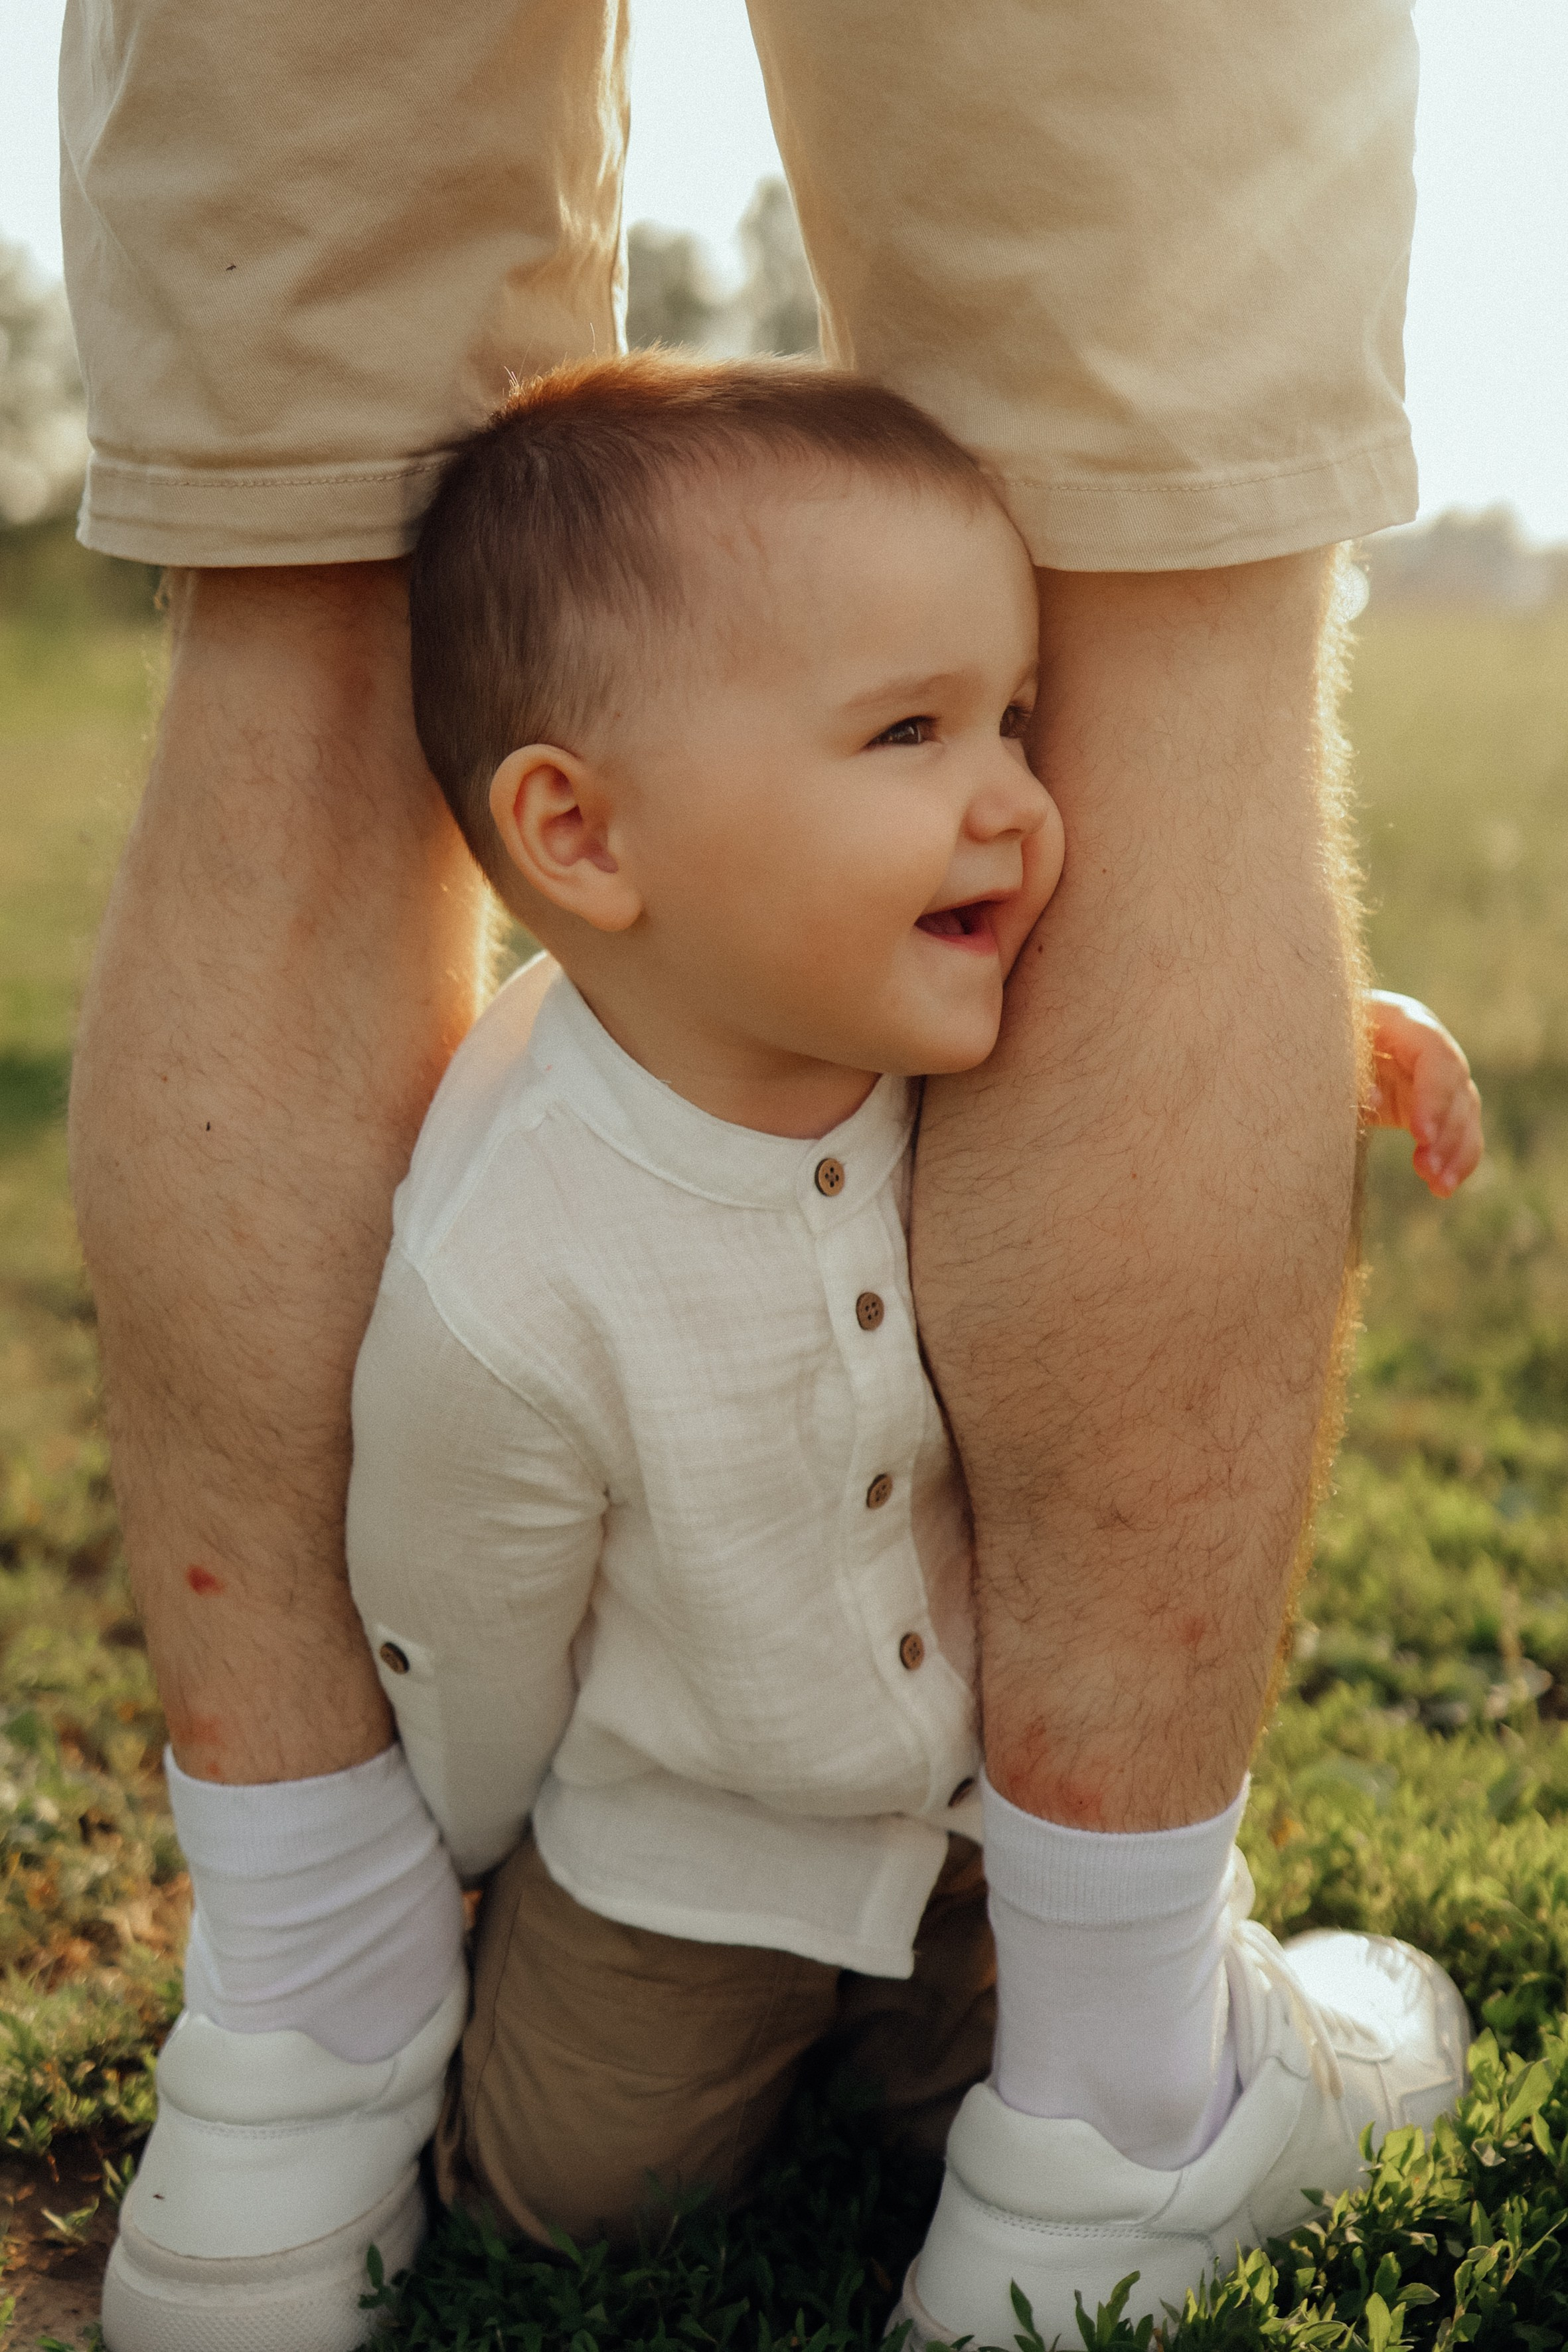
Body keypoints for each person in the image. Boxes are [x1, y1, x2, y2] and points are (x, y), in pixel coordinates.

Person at [56, 5, 1443, 2347]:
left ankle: (303, 2031)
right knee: (1164, 520)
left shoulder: (875, 1009)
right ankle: (1119, 2097)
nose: (1018, 802)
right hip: (663, 1854)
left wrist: (1320, 1045)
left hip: (925, 1839)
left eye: (1011, 721)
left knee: (311, 528)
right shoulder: (513, 1249)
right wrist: (482, 1850)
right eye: (910, 731)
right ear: (578, 836)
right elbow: (464, 1602)